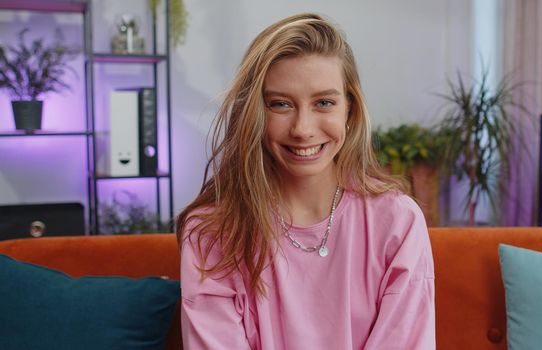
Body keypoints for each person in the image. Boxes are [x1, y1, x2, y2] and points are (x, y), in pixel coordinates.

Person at [177, 13, 435, 349]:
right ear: (255, 112)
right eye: (280, 104)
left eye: (324, 102)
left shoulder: (398, 223)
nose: (302, 129)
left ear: (350, 110)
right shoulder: (213, 233)